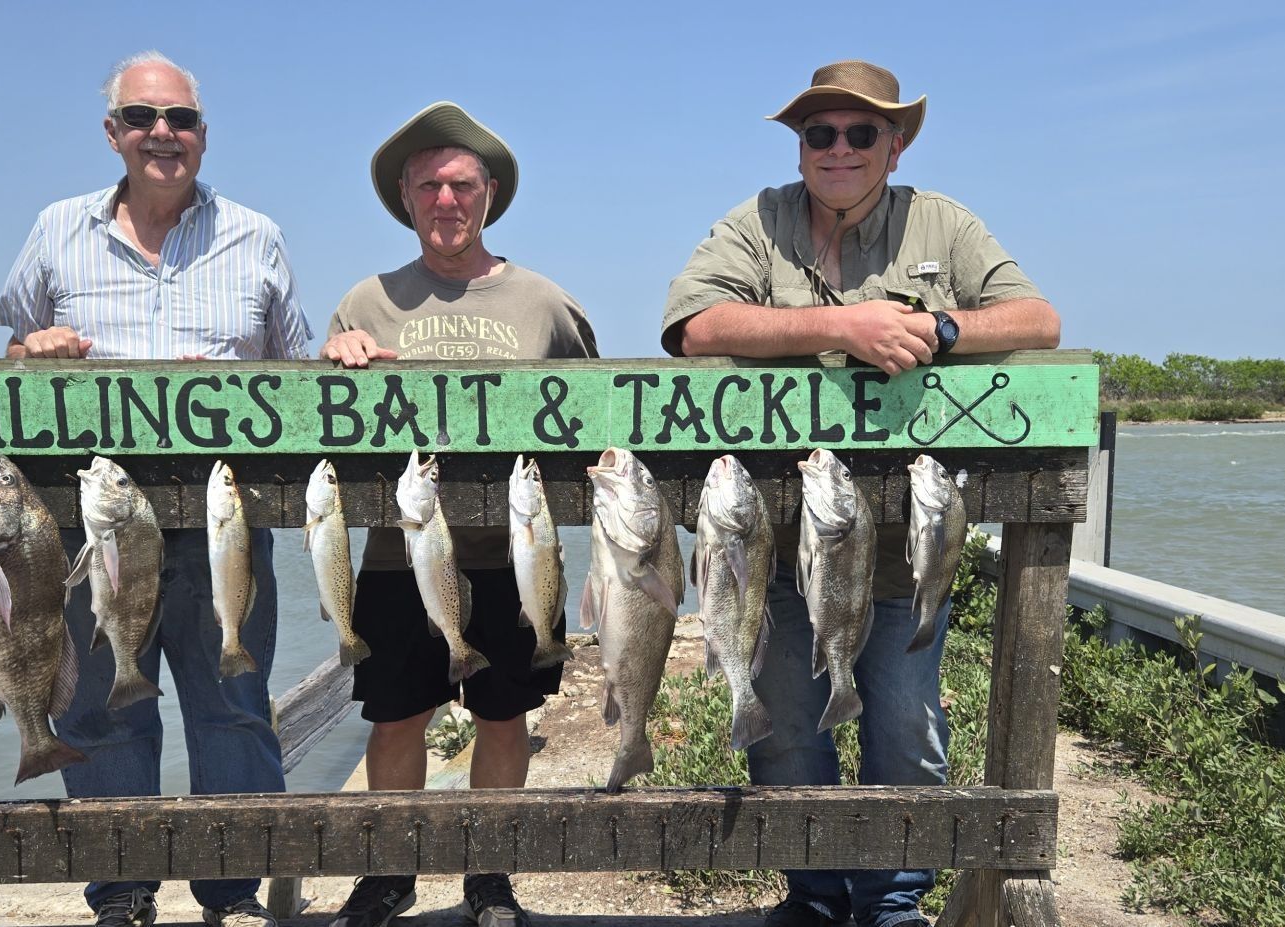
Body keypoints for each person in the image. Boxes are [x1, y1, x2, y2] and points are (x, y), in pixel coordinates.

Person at [662, 60, 1060, 927]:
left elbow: (1037, 319)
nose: (837, 149)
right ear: (799, 145)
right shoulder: (757, 221)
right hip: (768, 547)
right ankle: (813, 895)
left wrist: (943, 327)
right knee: (786, 732)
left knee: (906, 734)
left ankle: (892, 903)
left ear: (896, 142)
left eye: (859, 133)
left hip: (895, 555)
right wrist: (845, 324)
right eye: (819, 133)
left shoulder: (941, 222)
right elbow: (695, 325)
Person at [0, 50, 311, 927]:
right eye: (142, 118)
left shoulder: (260, 235)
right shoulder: (55, 230)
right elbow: (6, 363)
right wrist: (32, 351)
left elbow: (300, 381)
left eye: (179, 120)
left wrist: (348, 357)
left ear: (204, 136)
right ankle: (123, 893)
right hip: (94, 530)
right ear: (114, 134)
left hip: (223, 527)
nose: (162, 133)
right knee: (99, 713)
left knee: (236, 710)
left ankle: (233, 892)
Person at [321, 102, 598, 927]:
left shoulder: (545, 302)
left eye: (462, 185)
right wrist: (339, 359)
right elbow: (323, 425)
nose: (446, 200)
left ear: (491, 194)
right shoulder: (365, 300)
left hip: (515, 554)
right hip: (394, 556)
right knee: (397, 712)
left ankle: (490, 873)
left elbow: (593, 412)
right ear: (406, 198)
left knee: (504, 713)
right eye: (430, 185)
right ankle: (389, 869)